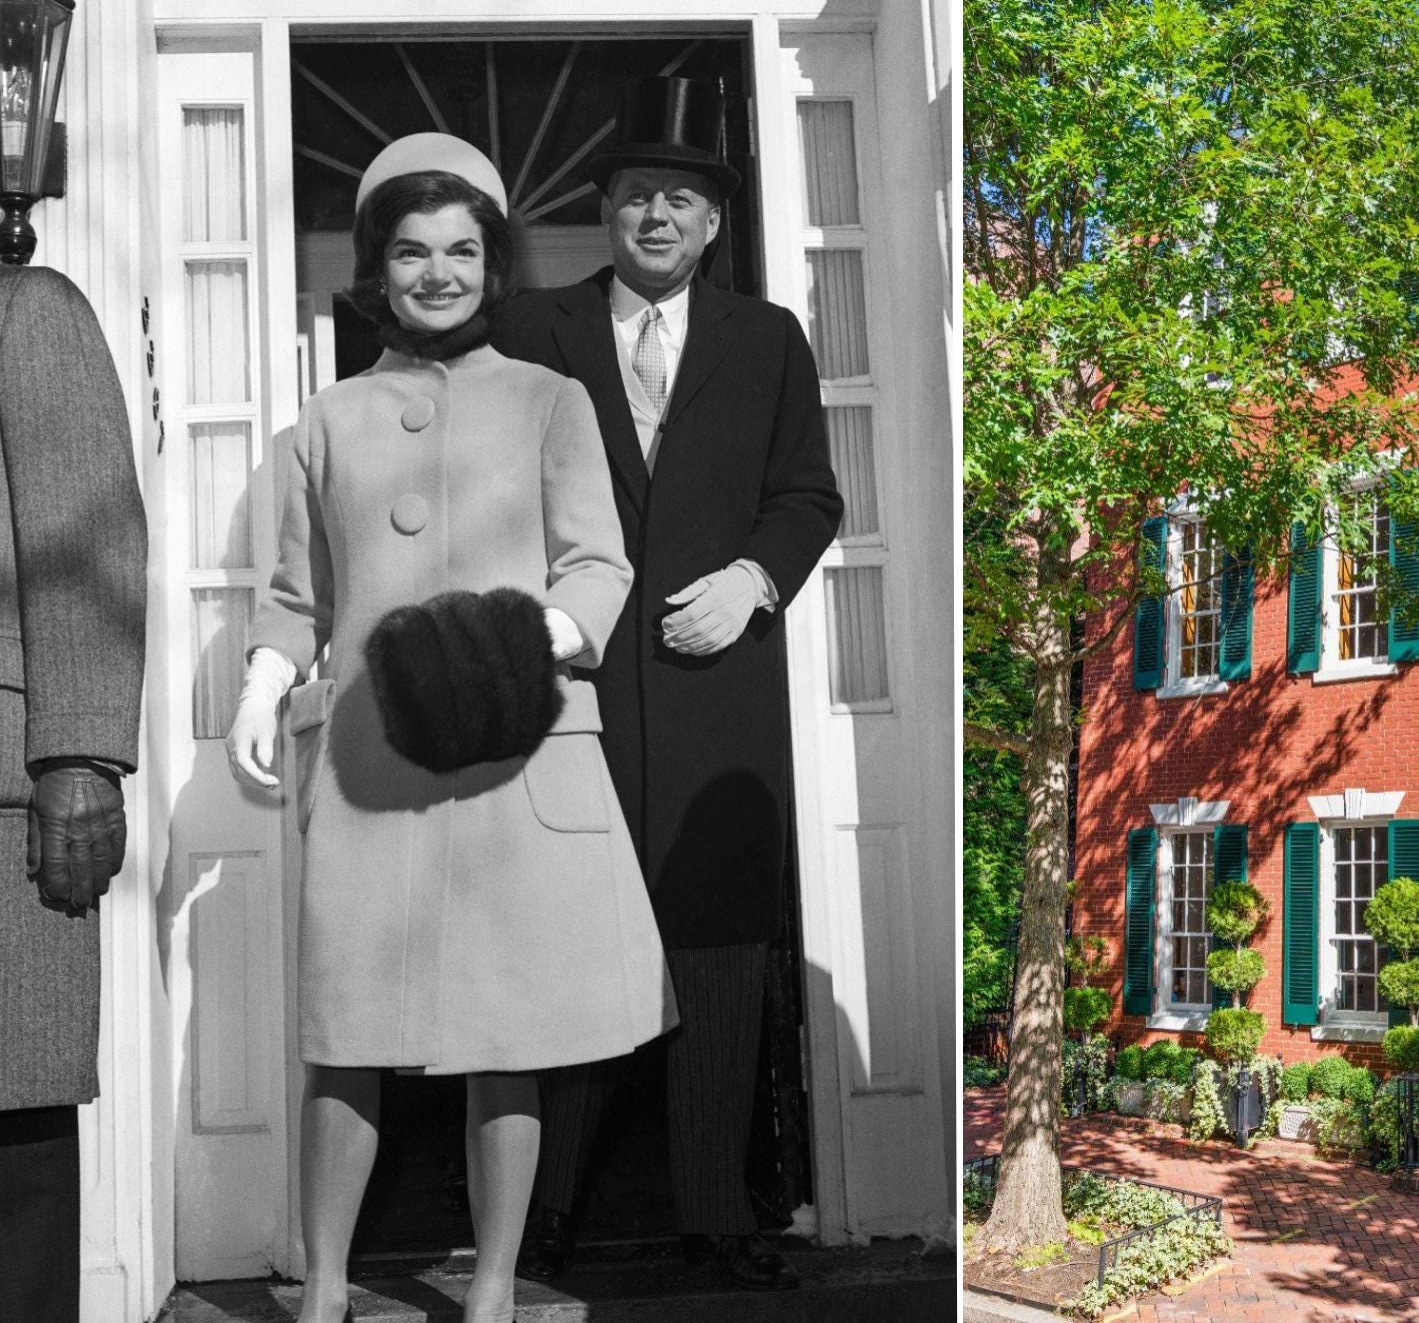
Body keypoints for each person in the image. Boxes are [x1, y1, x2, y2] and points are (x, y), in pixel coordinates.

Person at [225, 134, 675, 1323]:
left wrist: (528, 646)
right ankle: (322, 1290)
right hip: (374, 761)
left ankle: (486, 1288)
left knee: (505, 1032)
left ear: (493, 264)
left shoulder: (553, 402)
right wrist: (260, 685)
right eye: (414, 251)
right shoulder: (322, 423)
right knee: (345, 1031)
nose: (440, 273)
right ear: (379, 266)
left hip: (514, 758)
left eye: (464, 251)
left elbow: (598, 567)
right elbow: (293, 592)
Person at [493, 77, 841, 1293]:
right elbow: (497, 490)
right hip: (576, 694)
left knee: (715, 948)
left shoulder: (767, 338)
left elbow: (809, 494)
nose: (657, 216)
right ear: (605, 210)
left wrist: (755, 577)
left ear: (709, 225)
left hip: (716, 690)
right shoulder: (536, 332)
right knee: (572, 946)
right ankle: (539, 1218)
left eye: (680, 200)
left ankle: (714, 1209)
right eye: (638, 194)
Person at [0, 268, 147, 1323]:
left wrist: (81, 754)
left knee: (14, 1142)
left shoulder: (24, 311)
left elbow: (87, 540)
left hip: (7, 798)